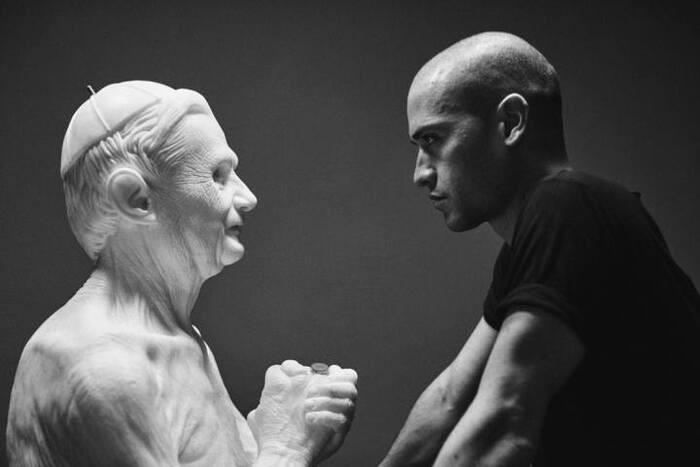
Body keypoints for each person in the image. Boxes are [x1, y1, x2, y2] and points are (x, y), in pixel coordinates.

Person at [380, 32, 700, 466]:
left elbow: (501, 425)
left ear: (511, 122)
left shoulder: (569, 207)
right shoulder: (532, 242)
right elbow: (450, 398)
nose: (420, 173)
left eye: (433, 140)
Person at [6, 81, 358, 466]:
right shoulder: (105, 370)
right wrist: (287, 450)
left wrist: (274, 427)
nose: (248, 197)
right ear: (136, 199)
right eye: (217, 175)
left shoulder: (178, 339)